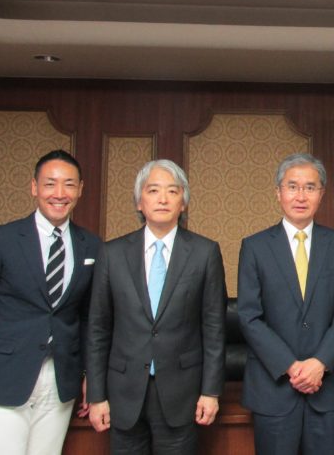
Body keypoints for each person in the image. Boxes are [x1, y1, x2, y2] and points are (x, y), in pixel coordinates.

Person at [0, 149, 101, 455]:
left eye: (69, 184)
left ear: (80, 190)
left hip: (60, 382)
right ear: (34, 187)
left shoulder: (91, 245)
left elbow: (89, 319)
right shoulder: (0, 240)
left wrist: (91, 376)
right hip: (3, 379)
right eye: (50, 184)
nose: (59, 194)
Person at [86, 159, 226, 455]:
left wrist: (210, 392)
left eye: (172, 191)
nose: (162, 199)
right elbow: (98, 328)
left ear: (183, 203)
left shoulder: (205, 252)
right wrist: (96, 395)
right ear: (139, 201)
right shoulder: (112, 253)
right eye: (153, 190)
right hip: (123, 392)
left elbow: (213, 328)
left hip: (181, 393)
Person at [237, 152, 334, 455]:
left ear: (321, 194)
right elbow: (249, 316)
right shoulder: (254, 247)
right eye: (292, 186)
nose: (300, 195)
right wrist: (291, 367)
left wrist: (320, 363)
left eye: (310, 187)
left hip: (327, 387)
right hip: (273, 387)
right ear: (278, 193)